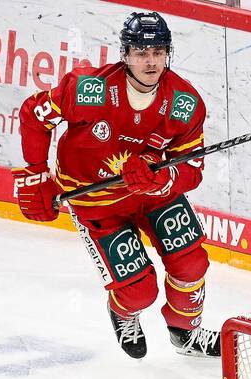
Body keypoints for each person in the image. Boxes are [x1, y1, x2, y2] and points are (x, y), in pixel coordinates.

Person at [13, 11, 220, 360]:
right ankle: (124, 312)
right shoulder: (88, 89)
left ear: (168, 53)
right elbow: (34, 115)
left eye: (158, 52)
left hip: (153, 195)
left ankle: (186, 331)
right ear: (124, 54)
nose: (150, 61)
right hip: (96, 201)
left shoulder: (185, 103)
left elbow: (192, 167)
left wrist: (162, 180)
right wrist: (37, 174)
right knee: (139, 292)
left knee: (192, 263)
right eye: (141, 52)